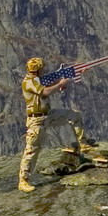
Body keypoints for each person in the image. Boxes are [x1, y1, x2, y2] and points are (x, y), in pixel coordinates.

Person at [18, 57, 94, 192]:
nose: (44, 70)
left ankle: (82, 143)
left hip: (47, 115)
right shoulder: (29, 82)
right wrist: (60, 84)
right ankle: (23, 181)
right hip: (36, 121)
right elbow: (45, 91)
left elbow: (49, 86)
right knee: (32, 150)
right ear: (37, 70)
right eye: (42, 68)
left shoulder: (36, 80)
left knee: (74, 116)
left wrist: (73, 75)